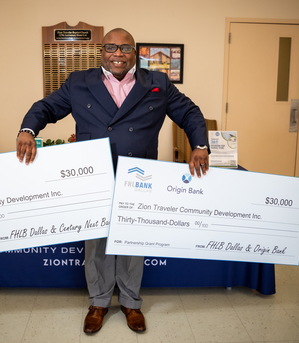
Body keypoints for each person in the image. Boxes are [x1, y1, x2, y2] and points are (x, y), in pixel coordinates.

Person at [16, 28, 210, 333]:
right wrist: (28, 130)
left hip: (139, 175)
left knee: (133, 238)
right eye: (110, 47)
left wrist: (199, 145)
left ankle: (131, 302)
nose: (117, 53)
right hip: (95, 174)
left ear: (135, 52)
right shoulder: (79, 82)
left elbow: (189, 113)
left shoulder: (157, 82)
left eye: (124, 48)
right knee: (97, 242)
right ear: (101, 51)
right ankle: (99, 301)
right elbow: (46, 108)